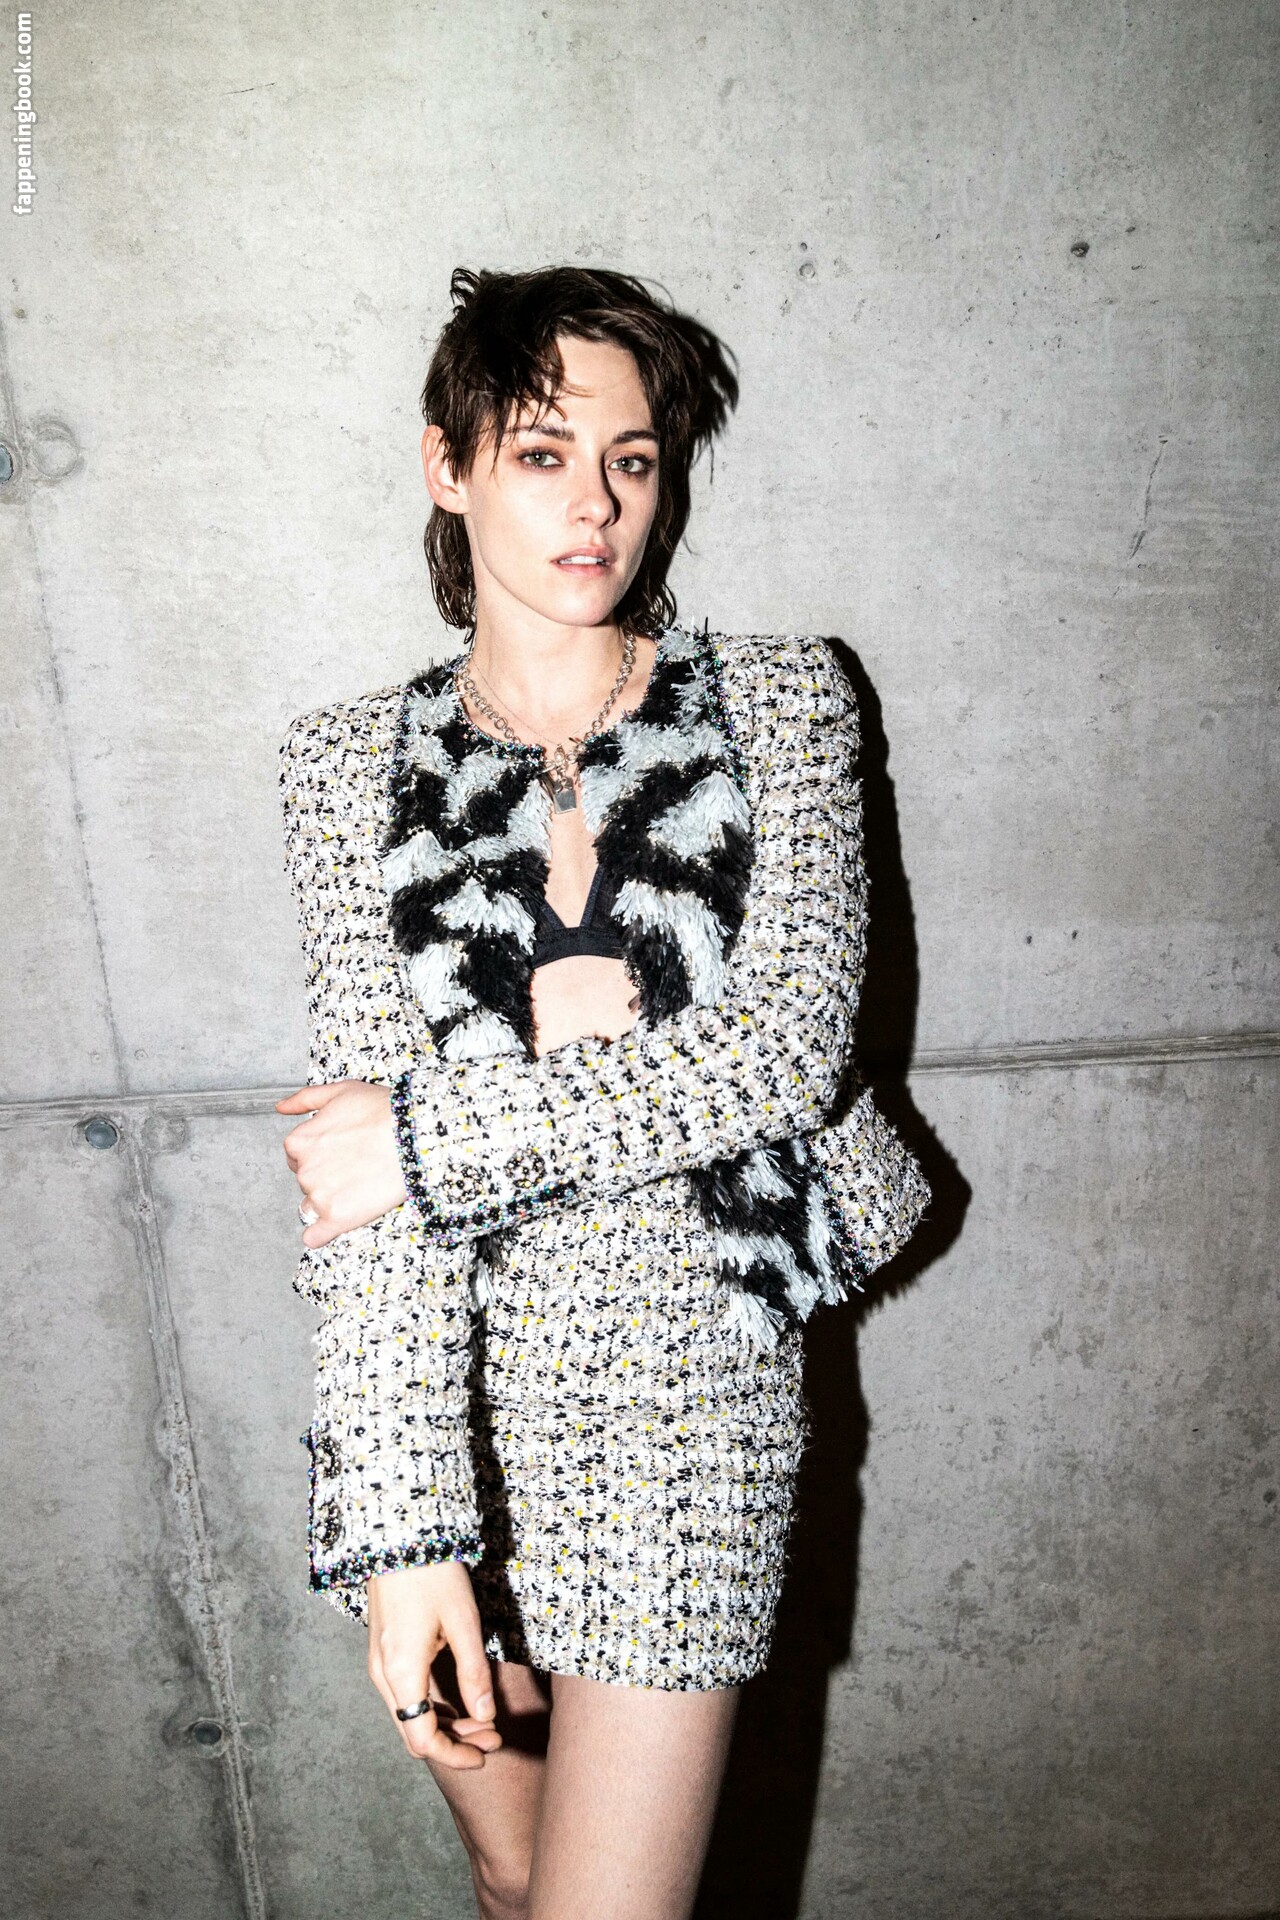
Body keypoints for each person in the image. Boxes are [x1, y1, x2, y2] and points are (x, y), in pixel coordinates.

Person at [274, 265, 896, 1920]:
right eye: (544, 454)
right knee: (512, 1871)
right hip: (451, 1395)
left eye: (633, 459)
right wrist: (403, 1533)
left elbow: (786, 1049)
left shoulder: (784, 700)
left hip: (691, 1392)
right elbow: (363, 1215)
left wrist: (430, 1132)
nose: (598, 504)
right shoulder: (343, 766)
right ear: (448, 466)